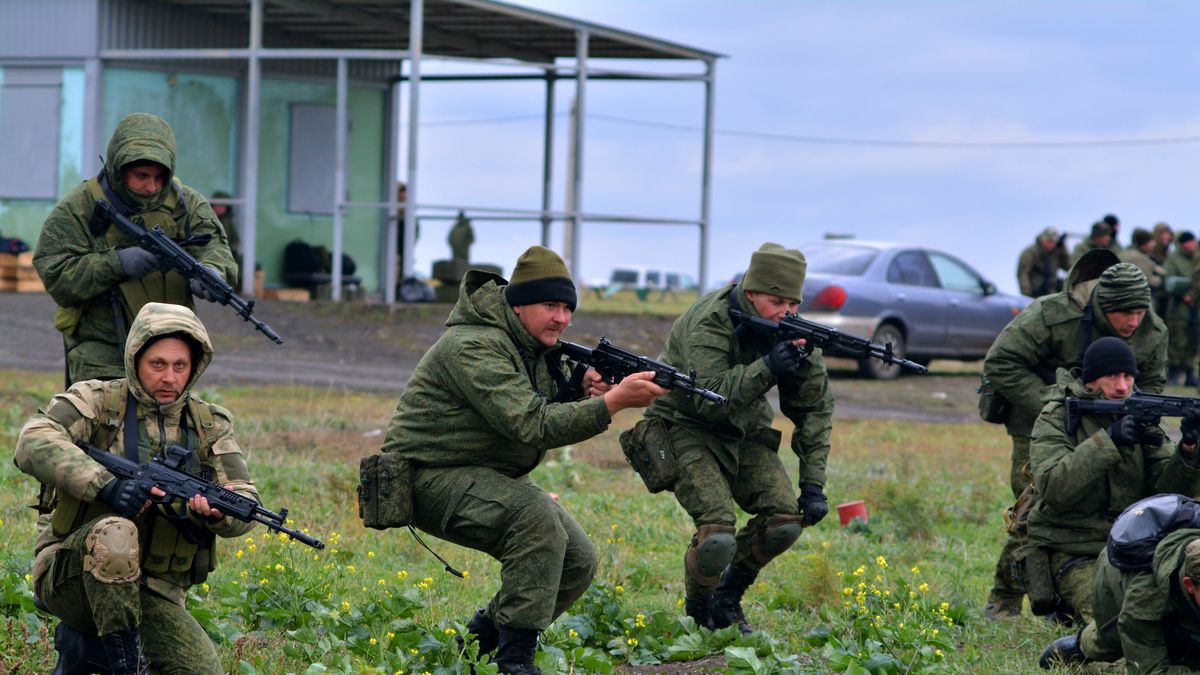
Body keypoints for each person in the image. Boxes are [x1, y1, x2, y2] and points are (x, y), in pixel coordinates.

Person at [379, 245, 667, 674]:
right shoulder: (474, 346)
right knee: (537, 519)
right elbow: (531, 424)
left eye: (568, 308)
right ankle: (515, 661)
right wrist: (614, 403)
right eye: (550, 305)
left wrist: (575, 388)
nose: (562, 318)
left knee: (578, 559)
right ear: (517, 306)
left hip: (481, 471)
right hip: (426, 476)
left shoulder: (531, 347)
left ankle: (480, 642)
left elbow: (537, 406)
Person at [14, 302, 259, 674]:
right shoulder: (97, 401)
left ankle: (88, 651)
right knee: (117, 533)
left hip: (152, 592)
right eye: (157, 364)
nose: (169, 377)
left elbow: (245, 500)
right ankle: (123, 666)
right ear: (134, 360)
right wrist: (106, 486)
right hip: (72, 573)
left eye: (180, 366)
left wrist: (219, 515)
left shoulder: (209, 424)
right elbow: (32, 440)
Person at [629, 242, 834, 634]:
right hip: (685, 426)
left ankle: (727, 598)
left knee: (785, 520)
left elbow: (814, 409)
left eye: (794, 304)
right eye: (777, 301)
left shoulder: (794, 333)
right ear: (751, 291)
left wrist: (813, 484)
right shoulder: (710, 320)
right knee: (717, 537)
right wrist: (769, 366)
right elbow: (710, 398)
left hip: (744, 433)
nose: (786, 313)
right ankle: (700, 611)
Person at [982, 253, 1168, 620]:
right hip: (1040, 419)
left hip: (1114, 421)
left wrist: (1141, 418)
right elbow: (1000, 363)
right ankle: (1004, 598)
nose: (1133, 322)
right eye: (1123, 314)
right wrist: (1059, 405)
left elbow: (1153, 383)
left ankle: (1072, 591)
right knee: (1034, 507)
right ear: (1103, 305)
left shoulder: (1152, 330)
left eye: (1140, 313)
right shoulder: (1054, 315)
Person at [33, 112, 237, 386]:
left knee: (167, 428)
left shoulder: (186, 204)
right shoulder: (80, 207)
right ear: (119, 168)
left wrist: (213, 272)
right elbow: (55, 272)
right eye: (141, 175)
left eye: (159, 177)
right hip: (102, 351)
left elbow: (214, 245)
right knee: (104, 426)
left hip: (167, 351)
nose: (151, 186)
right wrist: (116, 263)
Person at [1024, 337, 1200, 628]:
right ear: (1091, 381)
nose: (1121, 386)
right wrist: (1109, 441)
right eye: (1111, 376)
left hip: (1135, 546)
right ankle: (1066, 609)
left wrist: (1188, 452)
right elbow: (1054, 488)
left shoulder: (1142, 415)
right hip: (1074, 548)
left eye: (1128, 376)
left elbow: (1167, 496)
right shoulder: (1055, 418)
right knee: (1115, 625)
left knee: (1176, 612)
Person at [1040, 528, 1200, 671]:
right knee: (1109, 644)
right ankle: (1073, 650)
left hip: (1182, 602)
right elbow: (1151, 671)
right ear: (1189, 584)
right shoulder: (1145, 599)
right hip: (1116, 587)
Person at [1163, 231, 1199, 386]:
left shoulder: (1196, 257)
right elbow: (1169, 280)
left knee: (1192, 340)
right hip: (1179, 307)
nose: (1192, 245)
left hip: (1195, 306)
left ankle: (1190, 374)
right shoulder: (1174, 258)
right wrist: (1185, 294)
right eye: (1189, 242)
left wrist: (1193, 294)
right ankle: (1174, 374)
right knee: (1178, 340)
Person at [1017, 227, 1070, 298]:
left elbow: (1068, 267)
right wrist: (1026, 294)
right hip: (1035, 293)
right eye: (1049, 241)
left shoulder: (1057, 252)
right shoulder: (1030, 253)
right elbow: (1023, 273)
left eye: (1054, 241)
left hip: (1052, 292)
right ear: (1042, 239)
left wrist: (1063, 249)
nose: (1052, 244)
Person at [1118, 228, 1166, 304]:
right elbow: (1147, 279)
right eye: (1151, 241)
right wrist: (1162, 281)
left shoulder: (1124, 252)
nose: (1154, 244)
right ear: (1145, 243)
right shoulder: (1138, 257)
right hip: (1136, 296)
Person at [209, 189, 241, 282]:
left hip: (226, 254)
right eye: (217, 205)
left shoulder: (228, 222)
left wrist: (229, 252)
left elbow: (235, 241)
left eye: (222, 206)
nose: (219, 208)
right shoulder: (208, 220)